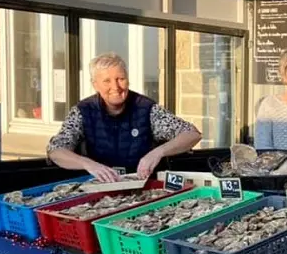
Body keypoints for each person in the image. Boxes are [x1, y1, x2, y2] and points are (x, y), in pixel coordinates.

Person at [47, 53, 202, 182]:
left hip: (145, 188)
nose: (115, 87)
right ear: (95, 84)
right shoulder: (83, 111)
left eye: (120, 79)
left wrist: (157, 153)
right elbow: (56, 150)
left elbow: (192, 134)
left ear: (128, 79)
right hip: (101, 190)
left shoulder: (146, 108)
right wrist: (88, 164)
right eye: (107, 81)